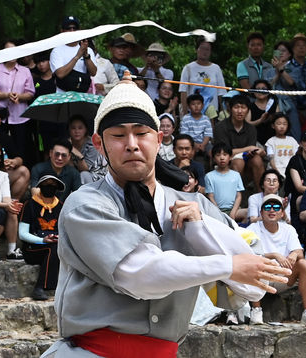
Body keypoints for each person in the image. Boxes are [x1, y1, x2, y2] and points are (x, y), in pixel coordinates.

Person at [43, 73, 290, 357]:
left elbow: (254, 287)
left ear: (159, 139)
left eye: (141, 133)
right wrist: (226, 265)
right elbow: (141, 275)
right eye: (119, 135)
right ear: (99, 144)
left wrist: (202, 230)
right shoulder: (85, 204)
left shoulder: (197, 206)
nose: (132, 144)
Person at [246, 194, 306, 327]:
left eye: (276, 207)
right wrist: (274, 255)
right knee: (252, 264)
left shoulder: (288, 229)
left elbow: (299, 252)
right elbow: (247, 255)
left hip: (284, 278)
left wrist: (294, 254)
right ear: (261, 212)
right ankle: (256, 310)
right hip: (261, 277)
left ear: (282, 213)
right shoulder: (252, 229)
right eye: (267, 207)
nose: (272, 210)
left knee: (303, 263)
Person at [0, 39, 36, 159]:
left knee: (20, 148)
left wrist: (19, 96)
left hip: (20, 116)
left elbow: (30, 93)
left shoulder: (25, 71)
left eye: (15, 51)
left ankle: (20, 173)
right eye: (8, 51)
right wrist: (6, 95)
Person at [18, 174, 65, 301]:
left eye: (53, 185)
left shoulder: (61, 206)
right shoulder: (30, 204)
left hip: (56, 245)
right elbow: (22, 234)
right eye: (46, 185)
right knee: (52, 249)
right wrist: (42, 240)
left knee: (56, 247)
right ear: (40, 187)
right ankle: (40, 287)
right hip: (32, 248)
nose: (49, 188)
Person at [214, 94, 266, 189]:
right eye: (236, 107)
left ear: (247, 110)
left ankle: (261, 195)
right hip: (226, 162)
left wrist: (256, 152)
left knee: (257, 160)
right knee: (238, 162)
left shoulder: (251, 129)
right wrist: (248, 148)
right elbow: (224, 152)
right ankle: (235, 196)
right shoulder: (220, 127)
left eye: (243, 107)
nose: (240, 111)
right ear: (230, 109)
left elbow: (251, 151)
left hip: (247, 162)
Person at [179, 39, 226, 117]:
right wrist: (185, 114)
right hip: (192, 113)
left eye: (207, 49)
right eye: (202, 48)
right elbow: (183, 91)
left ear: (210, 52)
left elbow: (221, 92)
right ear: (196, 50)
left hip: (212, 114)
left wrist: (223, 112)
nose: (205, 51)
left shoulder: (216, 68)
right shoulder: (188, 68)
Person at [51, 16, 97, 94]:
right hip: (63, 94)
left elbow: (93, 72)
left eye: (75, 28)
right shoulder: (56, 51)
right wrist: (77, 56)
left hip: (82, 95)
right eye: (68, 28)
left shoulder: (88, 50)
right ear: (62, 31)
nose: (72, 31)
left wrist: (86, 56)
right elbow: (60, 74)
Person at [205, 143, 244, 221]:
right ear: (213, 158)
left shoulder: (236, 175)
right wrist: (217, 211)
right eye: (218, 155)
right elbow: (210, 196)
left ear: (230, 157)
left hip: (233, 210)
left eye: (225, 154)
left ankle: (239, 231)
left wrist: (233, 211)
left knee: (247, 213)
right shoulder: (209, 176)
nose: (222, 158)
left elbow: (238, 196)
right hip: (216, 210)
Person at [68, 116, 106, 184]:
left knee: (84, 174)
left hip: (97, 176)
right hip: (79, 176)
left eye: (80, 128)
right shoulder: (68, 143)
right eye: (73, 128)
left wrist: (73, 149)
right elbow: (71, 168)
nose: (76, 131)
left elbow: (85, 168)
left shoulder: (92, 143)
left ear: (85, 130)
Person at [265, 112, 298, 179]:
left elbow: (297, 157)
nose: (282, 126)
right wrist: (278, 174)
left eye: (284, 124)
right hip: (275, 172)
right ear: (273, 126)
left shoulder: (292, 140)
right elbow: (271, 160)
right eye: (279, 124)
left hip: (291, 171)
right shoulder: (270, 141)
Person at [179, 93, 213, 158]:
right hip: (190, 143)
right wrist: (195, 145)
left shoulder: (206, 119)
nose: (196, 106)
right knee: (190, 152)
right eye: (193, 104)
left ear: (202, 105)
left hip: (205, 143)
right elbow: (185, 135)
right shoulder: (185, 119)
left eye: (198, 104)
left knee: (212, 152)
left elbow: (207, 135)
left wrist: (203, 145)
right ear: (189, 106)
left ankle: (212, 167)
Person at [247, 79, 278, 144]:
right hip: (255, 141)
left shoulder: (274, 104)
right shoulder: (250, 106)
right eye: (258, 89)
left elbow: (278, 120)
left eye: (263, 89)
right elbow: (247, 124)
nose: (260, 91)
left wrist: (271, 118)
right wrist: (260, 120)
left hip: (273, 140)